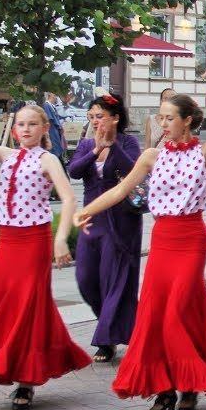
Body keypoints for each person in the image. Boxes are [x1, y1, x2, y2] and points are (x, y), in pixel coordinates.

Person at [74, 67, 206, 410]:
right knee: (158, 314)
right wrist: (85, 209)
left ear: (188, 120)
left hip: (191, 238)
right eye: (160, 118)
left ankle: (190, 384)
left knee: (177, 309)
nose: (163, 124)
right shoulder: (151, 156)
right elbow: (120, 190)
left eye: (169, 118)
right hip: (162, 239)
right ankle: (165, 389)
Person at [0, 105, 90, 410]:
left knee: (25, 307)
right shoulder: (7, 154)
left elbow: (69, 197)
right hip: (7, 241)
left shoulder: (47, 159)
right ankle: (33, 360)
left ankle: (25, 381)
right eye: (21, 124)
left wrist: (60, 239)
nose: (26, 129)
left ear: (44, 128)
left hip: (34, 239)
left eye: (33, 124)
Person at [67, 93, 143, 363]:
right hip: (92, 219)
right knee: (86, 278)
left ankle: (107, 339)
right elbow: (74, 171)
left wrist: (114, 147)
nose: (95, 122)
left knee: (115, 278)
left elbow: (134, 171)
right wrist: (96, 151)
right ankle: (108, 325)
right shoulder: (87, 143)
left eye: (100, 116)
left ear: (115, 118)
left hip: (121, 220)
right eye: (92, 117)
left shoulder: (128, 142)